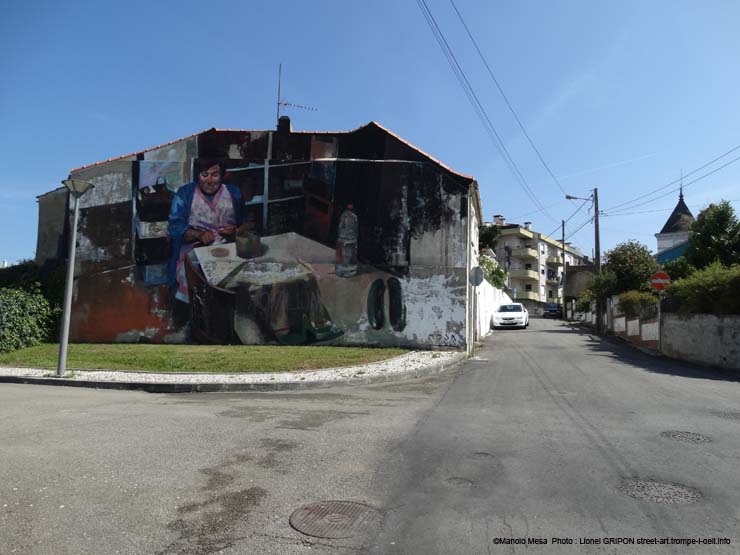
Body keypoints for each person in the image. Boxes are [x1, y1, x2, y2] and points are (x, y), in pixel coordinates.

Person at [167, 159, 245, 303]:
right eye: (205, 175)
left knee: (239, 279)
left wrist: (236, 231)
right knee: (195, 279)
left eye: (215, 175)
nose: (209, 180)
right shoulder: (185, 193)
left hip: (227, 245)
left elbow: (247, 222)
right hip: (194, 248)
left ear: (222, 175)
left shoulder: (233, 192)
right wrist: (199, 234)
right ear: (198, 176)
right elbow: (174, 227)